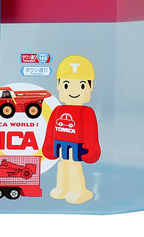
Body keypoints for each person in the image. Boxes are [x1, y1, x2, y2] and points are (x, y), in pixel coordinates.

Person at [42, 55, 101, 204]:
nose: (74, 91)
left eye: (81, 85)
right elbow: (51, 129)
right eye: (67, 85)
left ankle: (78, 190)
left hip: (77, 146)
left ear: (90, 87)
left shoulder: (87, 112)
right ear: (59, 85)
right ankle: (62, 187)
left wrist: (92, 149)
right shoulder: (58, 111)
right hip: (61, 144)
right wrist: (48, 145)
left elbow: (91, 132)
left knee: (74, 165)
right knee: (63, 165)